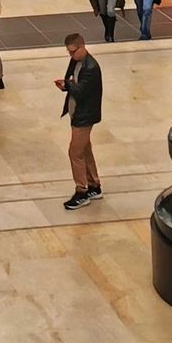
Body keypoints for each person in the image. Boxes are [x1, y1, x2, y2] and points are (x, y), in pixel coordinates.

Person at [56, 31, 102, 209]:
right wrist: (66, 84)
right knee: (85, 150)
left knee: (75, 153)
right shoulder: (77, 61)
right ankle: (94, 185)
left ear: (83, 47)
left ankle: (81, 190)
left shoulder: (91, 67)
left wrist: (67, 85)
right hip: (78, 113)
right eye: (69, 52)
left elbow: (81, 90)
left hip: (85, 116)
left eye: (73, 51)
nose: (71, 55)